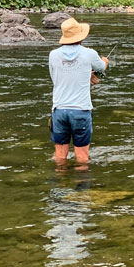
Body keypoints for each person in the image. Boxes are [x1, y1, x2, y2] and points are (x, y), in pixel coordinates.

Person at [49, 17, 108, 164]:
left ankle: (60, 184)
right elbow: (101, 68)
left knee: (60, 157)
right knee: (82, 158)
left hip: (59, 111)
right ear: (81, 36)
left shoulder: (53, 55)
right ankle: (81, 185)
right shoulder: (90, 53)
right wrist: (105, 61)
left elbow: (55, 78)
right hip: (81, 111)